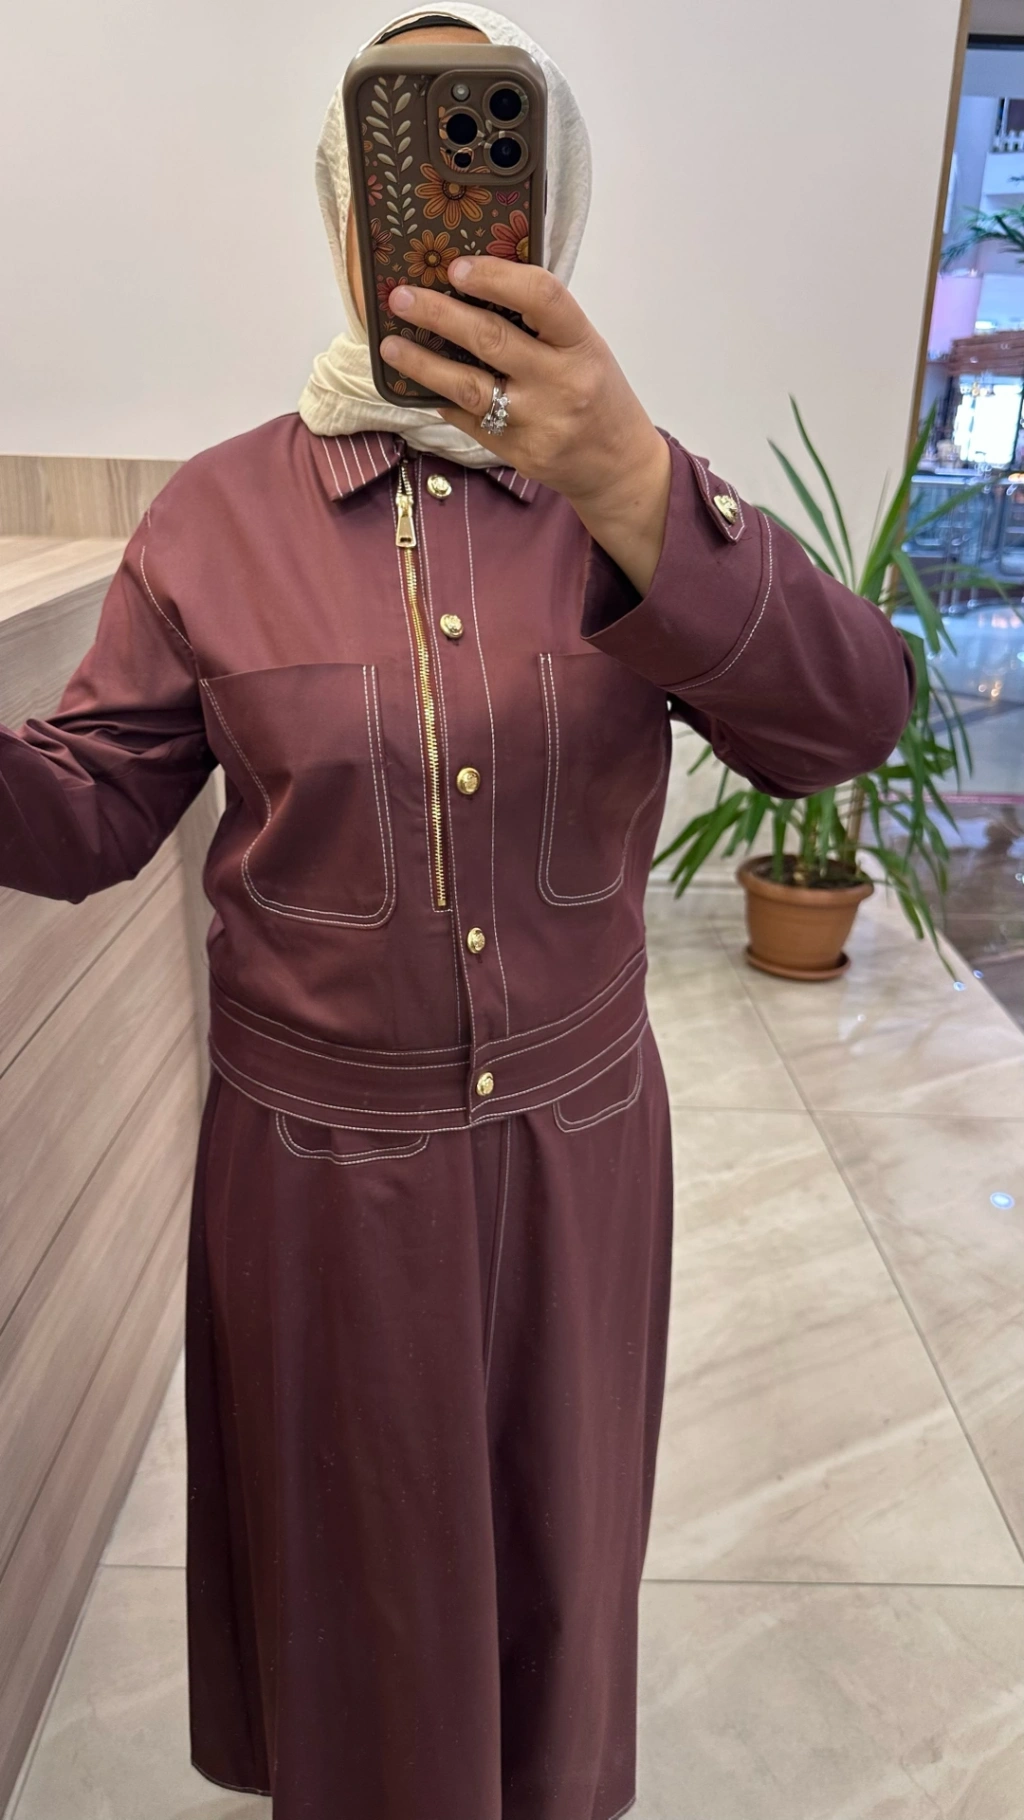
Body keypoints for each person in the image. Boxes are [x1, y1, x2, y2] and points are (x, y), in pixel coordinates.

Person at [0, 6, 916, 1817]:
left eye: (489, 150)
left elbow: (846, 725)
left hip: (582, 1161)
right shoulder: (211, 519)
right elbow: (96, 804)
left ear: (549, 207)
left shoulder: (635, 503)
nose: (438, 210)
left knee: (555, 1564)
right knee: (360, 1601)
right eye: (393, 158)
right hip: (314, 1187)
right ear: (343, 210)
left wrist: (631, 476)